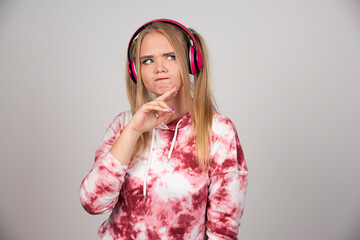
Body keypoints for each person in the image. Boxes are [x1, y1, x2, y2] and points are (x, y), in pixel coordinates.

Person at [80, 19, 248, 240]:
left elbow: (223, 231)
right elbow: (93, 203)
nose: (159, 68)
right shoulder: (123, 124)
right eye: (148, 61)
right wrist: (133, 131)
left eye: (171, 56)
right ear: (135, 70)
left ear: (191, 62)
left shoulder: (218, 131)